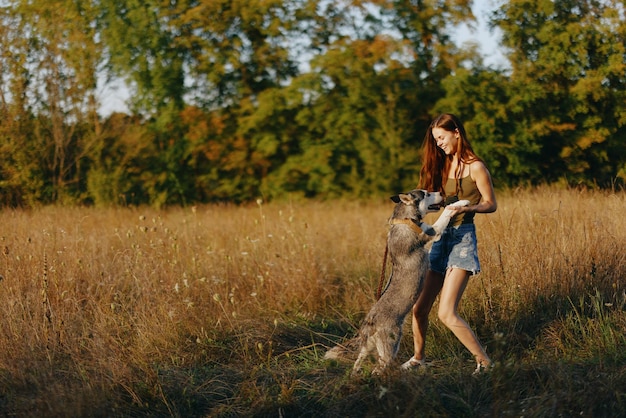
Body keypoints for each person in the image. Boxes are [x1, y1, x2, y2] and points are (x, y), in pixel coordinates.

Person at [401, 113, 496, 374]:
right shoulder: (445, 166)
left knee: (446, 313)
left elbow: (491, 204)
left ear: (456, 132)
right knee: (419, 309)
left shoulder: (476, 166)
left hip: (463, 239)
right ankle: (418, 359)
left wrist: (467, 206)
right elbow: (438, 202)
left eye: (441, 138)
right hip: (441, 239)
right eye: (435, 140)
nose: (439, 144)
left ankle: (485, 363)